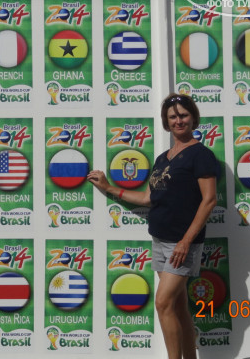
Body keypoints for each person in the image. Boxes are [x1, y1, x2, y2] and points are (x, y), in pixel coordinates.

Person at [88, 93, 217, 359]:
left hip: (182, 245)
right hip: (160, 240)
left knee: (162, 303)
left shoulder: (201, 155)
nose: (178, 120)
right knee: (178, 306)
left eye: (183, 115)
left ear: (193, 118)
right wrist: (109, 188)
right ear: (166, 122)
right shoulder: (162, 158)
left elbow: (209, 200)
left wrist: (186, 241)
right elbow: (148, 198)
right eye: (173, 117)